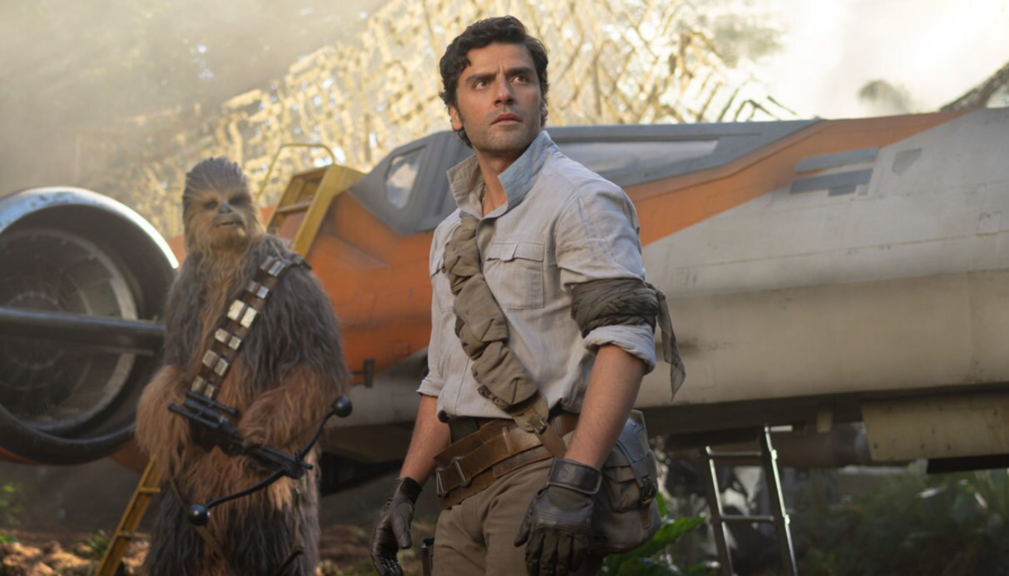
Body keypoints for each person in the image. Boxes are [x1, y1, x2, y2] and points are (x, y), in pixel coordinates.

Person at [371, 16, 670, 576]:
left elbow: (625, 345)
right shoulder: (449, 235)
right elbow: (445, 381)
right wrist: (406, 490)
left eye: (520, 78)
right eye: (481, 82)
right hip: (460, 495)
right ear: (456, 116)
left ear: (542, 100)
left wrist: (575, 482)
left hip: (542, 476)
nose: (504, 91)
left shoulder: (580, 199)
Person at [136, 157, 349, 576]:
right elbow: (176, 365)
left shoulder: (290, 280)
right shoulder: (184, 287)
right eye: (210, 205)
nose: (225, 212)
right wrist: (168, 405)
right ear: (189, 217)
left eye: (236, 201)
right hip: (195, 469)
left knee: (271, 563)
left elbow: (320, 372)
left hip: (261, 475)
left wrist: (266, 428)